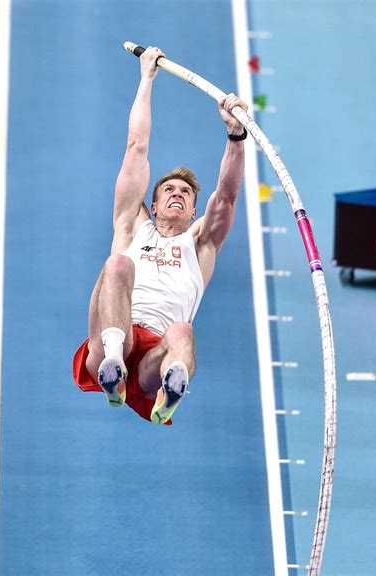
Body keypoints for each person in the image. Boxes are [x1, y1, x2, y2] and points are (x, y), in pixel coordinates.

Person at [72, 46, 248, 425]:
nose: (177, 194)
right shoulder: (132, 226)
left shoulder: (201, 246)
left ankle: (171, 393)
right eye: (169, 190)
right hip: (112, 337)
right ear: (151, 204)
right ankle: (113, 365)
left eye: (186, 193)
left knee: (182, 331)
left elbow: (228, 194)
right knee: (117, 264)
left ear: (194, 212)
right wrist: (146, 78)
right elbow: (136, 148)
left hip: (153, 359)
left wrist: (236, 134)